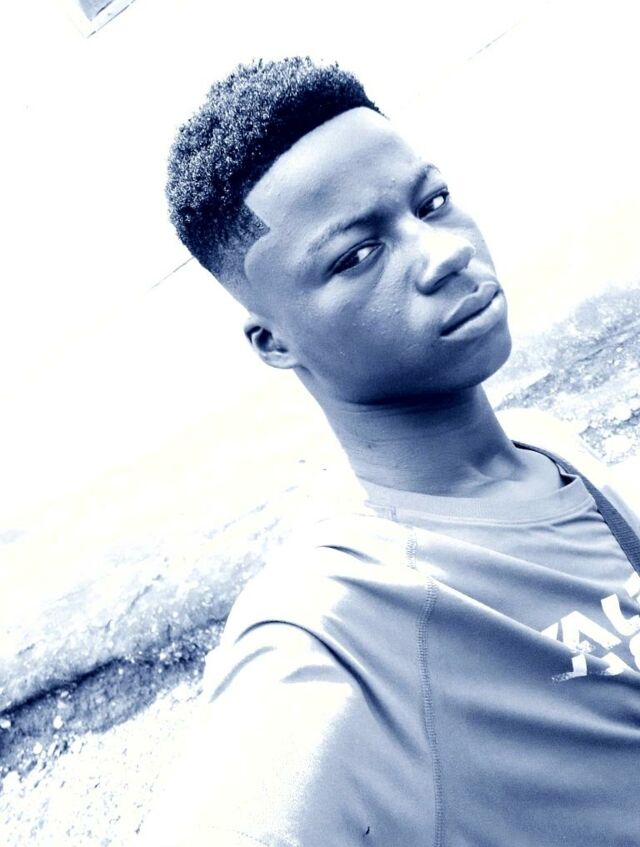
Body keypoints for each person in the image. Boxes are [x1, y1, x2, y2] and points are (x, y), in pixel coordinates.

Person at [140, 57, 640, 846]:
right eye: (356, 255)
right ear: (274, 342)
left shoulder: (549, 447)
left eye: (431, 202)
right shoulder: (342, 616)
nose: (443, 253)